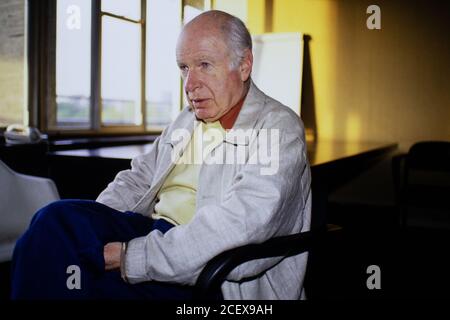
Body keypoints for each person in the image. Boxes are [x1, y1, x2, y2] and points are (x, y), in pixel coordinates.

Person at [11, 10, 311, 300]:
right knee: (55, 223)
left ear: (244, 65)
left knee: (69, 279)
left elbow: (242, 226)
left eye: (204, 65)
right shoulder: (186, 120)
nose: (190, 85)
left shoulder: (277, 128)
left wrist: (131, 257)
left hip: (214, 275)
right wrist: (95, 231)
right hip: (153, 236)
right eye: (184, 68)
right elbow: (138, 179)